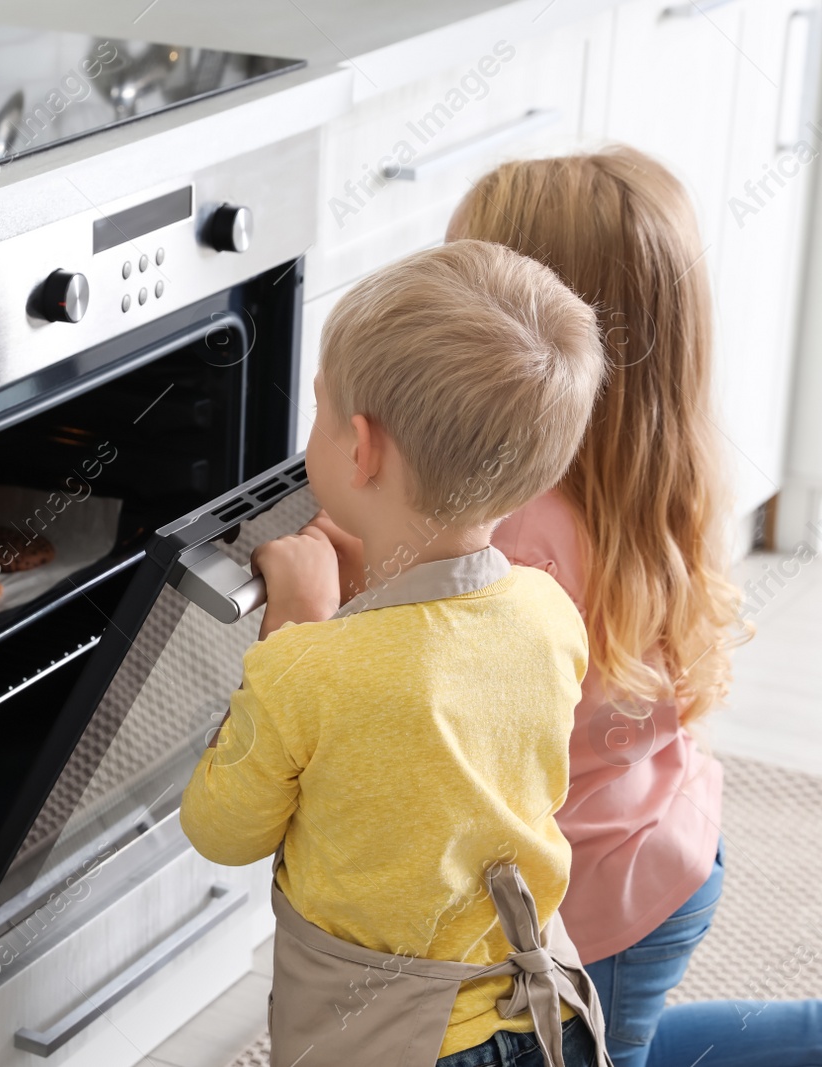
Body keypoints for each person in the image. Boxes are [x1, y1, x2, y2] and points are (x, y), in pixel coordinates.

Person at [181, 239, 611, 1067]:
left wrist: (301, 624)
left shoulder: (309, 668)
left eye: (320, 407)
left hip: (393, 1044)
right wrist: (365, 592)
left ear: (361, 449)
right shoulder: (549, 613)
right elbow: (428, 686)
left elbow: (220, 828)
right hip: (537, 1019)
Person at [448, 147, 822, 1067]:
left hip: (592, 900)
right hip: (660, 835)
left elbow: (428, 711)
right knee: (629, 1044)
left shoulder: (512, 530)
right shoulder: (662, 476)